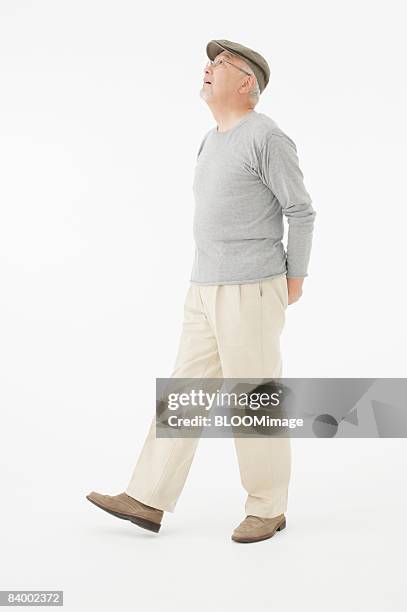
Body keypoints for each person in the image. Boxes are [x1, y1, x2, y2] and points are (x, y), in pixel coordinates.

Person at [86, 39, 316, 543]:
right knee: (185, 391)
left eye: (220, 64)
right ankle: (147, 498)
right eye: (209, 63)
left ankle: (267, 507)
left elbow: (301, 211)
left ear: (247, 84)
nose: (207, 69)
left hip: (252, 288)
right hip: (203, 285)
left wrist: (293, 278)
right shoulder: (211, 140)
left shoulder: (267, 138)